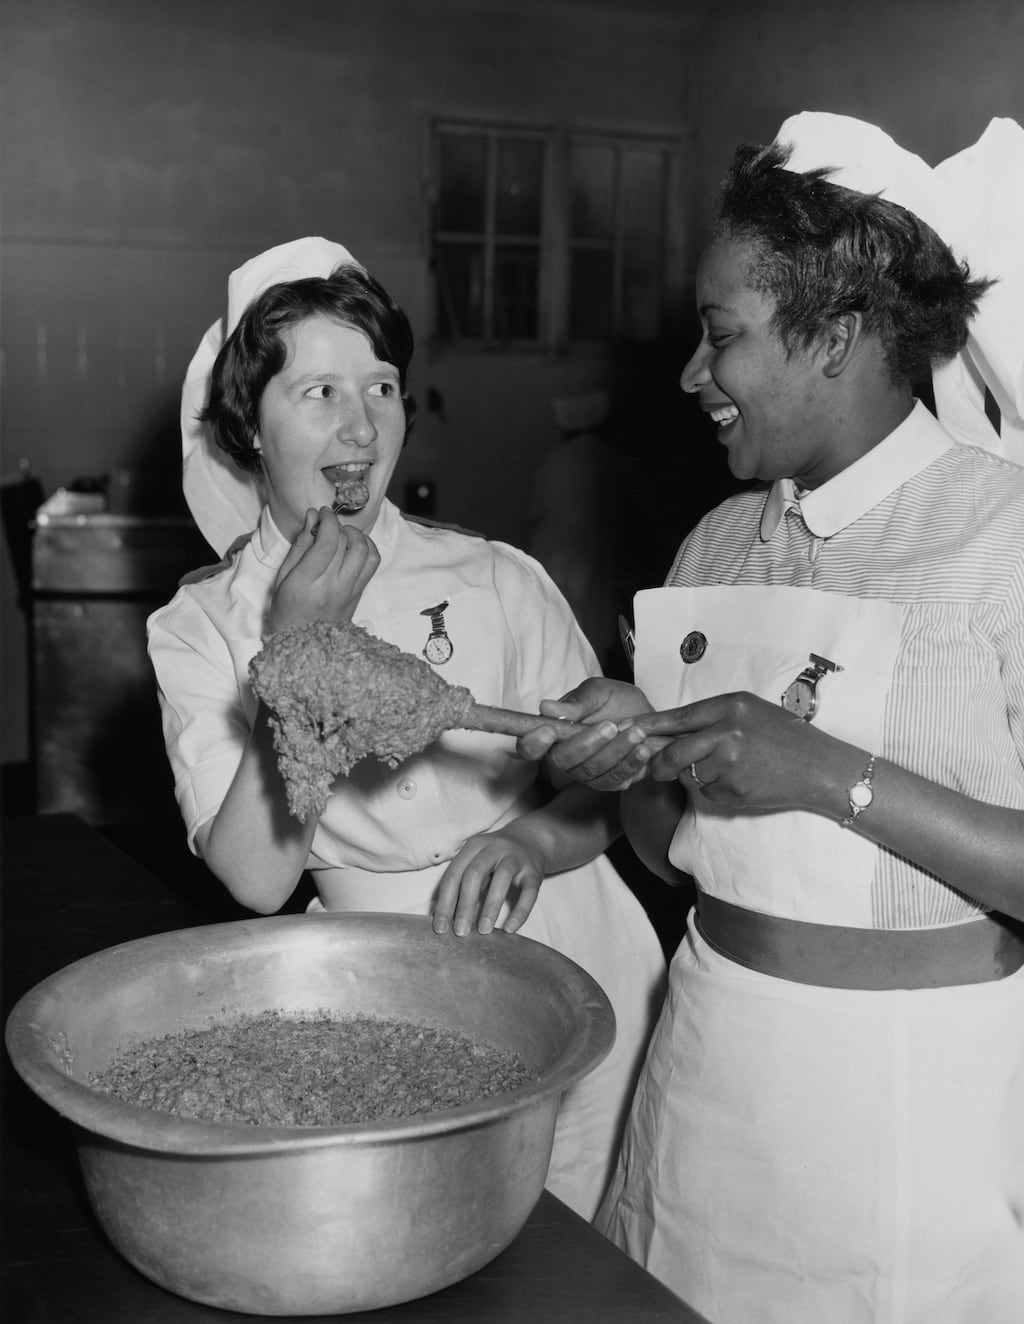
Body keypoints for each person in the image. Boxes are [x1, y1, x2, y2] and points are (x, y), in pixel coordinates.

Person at [516, 119, 1024, 1322]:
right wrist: (634, 765)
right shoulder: (717, 542)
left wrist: (825, 770)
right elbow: (662, 849)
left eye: (720, 334)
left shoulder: (999, 538)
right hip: (707, 1066)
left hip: (914, 1094)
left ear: (836, 334)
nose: (693, 374)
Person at [145, 237, 665, 1223]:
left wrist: (530, 836)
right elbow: (256, 879)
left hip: (575, 947)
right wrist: (303, 653)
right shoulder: (201, 624)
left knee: (603, 1244)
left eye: (381, 387)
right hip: (383, 980)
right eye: (320, 392)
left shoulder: (498, 577)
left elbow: (604, 787)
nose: (361, 427)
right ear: (247, 425)